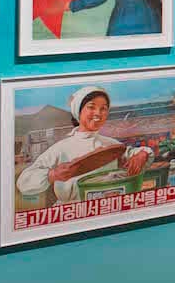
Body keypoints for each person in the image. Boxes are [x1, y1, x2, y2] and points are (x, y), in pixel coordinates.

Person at [15, 86, 153, 204]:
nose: (98, 113)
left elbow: (134, 154)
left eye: (103, 109)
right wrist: (53, 175)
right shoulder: (61, 148)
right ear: (78, 111)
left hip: (107, 206)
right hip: (72, 210)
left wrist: (142, 154)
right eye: (91, 107)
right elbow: (24, 183)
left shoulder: (111, 145)